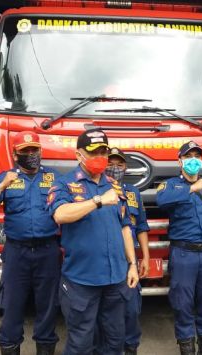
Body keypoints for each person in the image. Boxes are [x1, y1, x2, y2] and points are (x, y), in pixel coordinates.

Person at [48, 129, 139, 355]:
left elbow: (125, 227)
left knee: (114, 341)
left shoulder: (115, 187)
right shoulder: (64, 184)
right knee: (81, 344)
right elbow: (60, 214)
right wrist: (97, 201)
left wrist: (132, 264)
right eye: (94, 152)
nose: (100, 156)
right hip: (82, 282)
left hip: (115, 279)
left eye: (103, 151)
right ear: (79, 155)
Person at [0, 131, 60, 355]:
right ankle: (10, 345)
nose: (31, 154)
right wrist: (1, 186)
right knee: (12, 306)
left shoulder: (55, 178)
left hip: (48, 250)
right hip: (16, 252)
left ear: (41, 152)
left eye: (34, 150)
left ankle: (45, 346)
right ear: (15, 155)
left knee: (48, 305)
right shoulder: (5, 177)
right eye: (25, 151)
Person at [156, 141, 202, 355]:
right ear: (180, 161)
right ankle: (187, 348)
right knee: (182, 303)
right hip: (183, 253)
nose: (193, 160)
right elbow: (162, 201)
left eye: (197, 156)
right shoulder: (170, 185)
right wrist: (190, 190)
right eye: (189, 157)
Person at [103, 147, 151, 355]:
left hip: (127, 262)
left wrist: (146, 257)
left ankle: (131, 348)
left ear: (126, 168)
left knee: (131, 310)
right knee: (105, 313)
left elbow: (141, 226)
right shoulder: (98, 191)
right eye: (111, 164)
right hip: (104, 260)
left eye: (119, 164)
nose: (115, 168)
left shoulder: (133, 193)